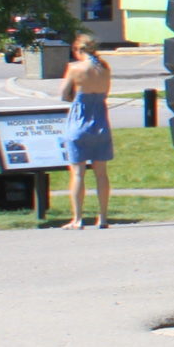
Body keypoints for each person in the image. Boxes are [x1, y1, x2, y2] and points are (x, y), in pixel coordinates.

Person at [58, 34, 114, 230]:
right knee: (101, 174)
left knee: (78, 173)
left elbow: (64, 94)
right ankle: (104, 217)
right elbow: (105, 93)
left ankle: (78, 218)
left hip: (79, 122)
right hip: (100, 121)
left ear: (78, 49)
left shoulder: (75, 68)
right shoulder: (104, 68)